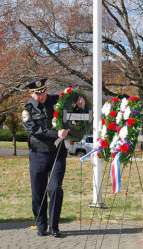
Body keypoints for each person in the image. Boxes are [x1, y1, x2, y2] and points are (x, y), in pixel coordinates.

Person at [22, 78, 70, 238]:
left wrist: (80, 101)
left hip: (58, 153)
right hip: (38, 154)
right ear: (31, 93)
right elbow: (34, 129)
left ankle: (54, 226)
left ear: (46, 89)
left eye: (43, 92)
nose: (41, 96)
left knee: (55, 188)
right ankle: (41, 225)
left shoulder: (57, 101)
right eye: (37, 93)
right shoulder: (27, 109)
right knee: (38, 192)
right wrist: (56, 133)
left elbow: (73, 101)